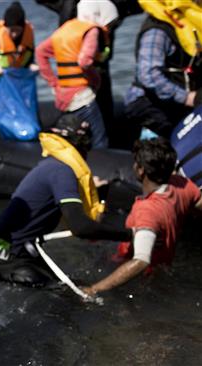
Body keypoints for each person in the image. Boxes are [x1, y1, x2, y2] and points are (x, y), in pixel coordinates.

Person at [0, 114, 131, 287]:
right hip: (9, 259)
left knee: (74, 286)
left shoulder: (53, 166)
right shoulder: (62, 171)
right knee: (77, 298)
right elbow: (81, 227)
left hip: (1, 251)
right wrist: (128, 234)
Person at [82, 138, 202, 296]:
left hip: (139, 278)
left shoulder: (147, 211)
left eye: (135, 163)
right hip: (163, 265)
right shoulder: (182, 185)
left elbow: (141, 261)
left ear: (140, 170)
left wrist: (93, 289)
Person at [35, 0, 143, 133]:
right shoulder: (68, 3)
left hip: (98, 69)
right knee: (83, 117)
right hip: (78, 75)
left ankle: (103, 139)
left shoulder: (112, 5)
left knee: (103, 114)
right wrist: (53, 83)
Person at [124, 0, 202, 143]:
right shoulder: (158, 30)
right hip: (150, 104)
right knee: (180, 142)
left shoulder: (186, 28)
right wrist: (188, 97)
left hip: (174, 103)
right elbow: (148, 75)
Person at [0, 1, 36, 82]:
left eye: (18, 30)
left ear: (23, 28)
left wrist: (32, 65)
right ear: (5, 27)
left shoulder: (28, 32)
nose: (14, 34)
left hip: (19, 81)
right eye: (11, 30)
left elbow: (30, 58)